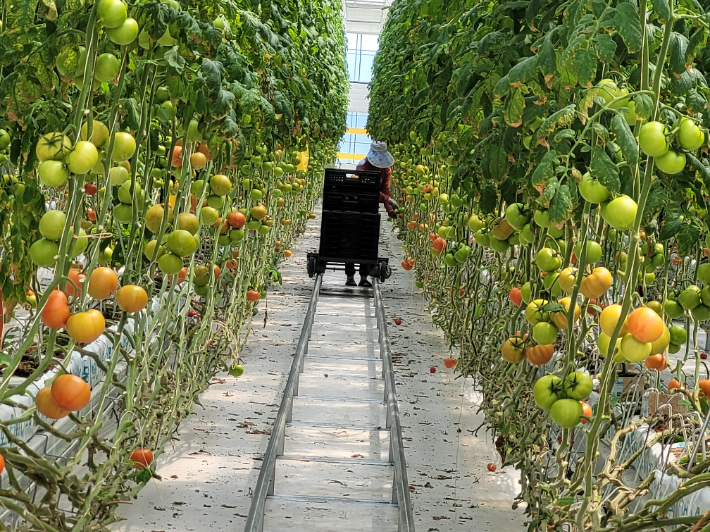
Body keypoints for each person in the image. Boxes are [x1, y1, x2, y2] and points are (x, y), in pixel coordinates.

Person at [345, 141, 397, 287]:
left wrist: (389, 209)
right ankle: (350, 276)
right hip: (356, 206)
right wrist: (387, 199)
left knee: (367, 241)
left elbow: (385, 191)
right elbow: (366, 188)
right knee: (352, 241)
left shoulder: (386, 170)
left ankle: (363, 276)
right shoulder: (362, 166)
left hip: (371, 209)